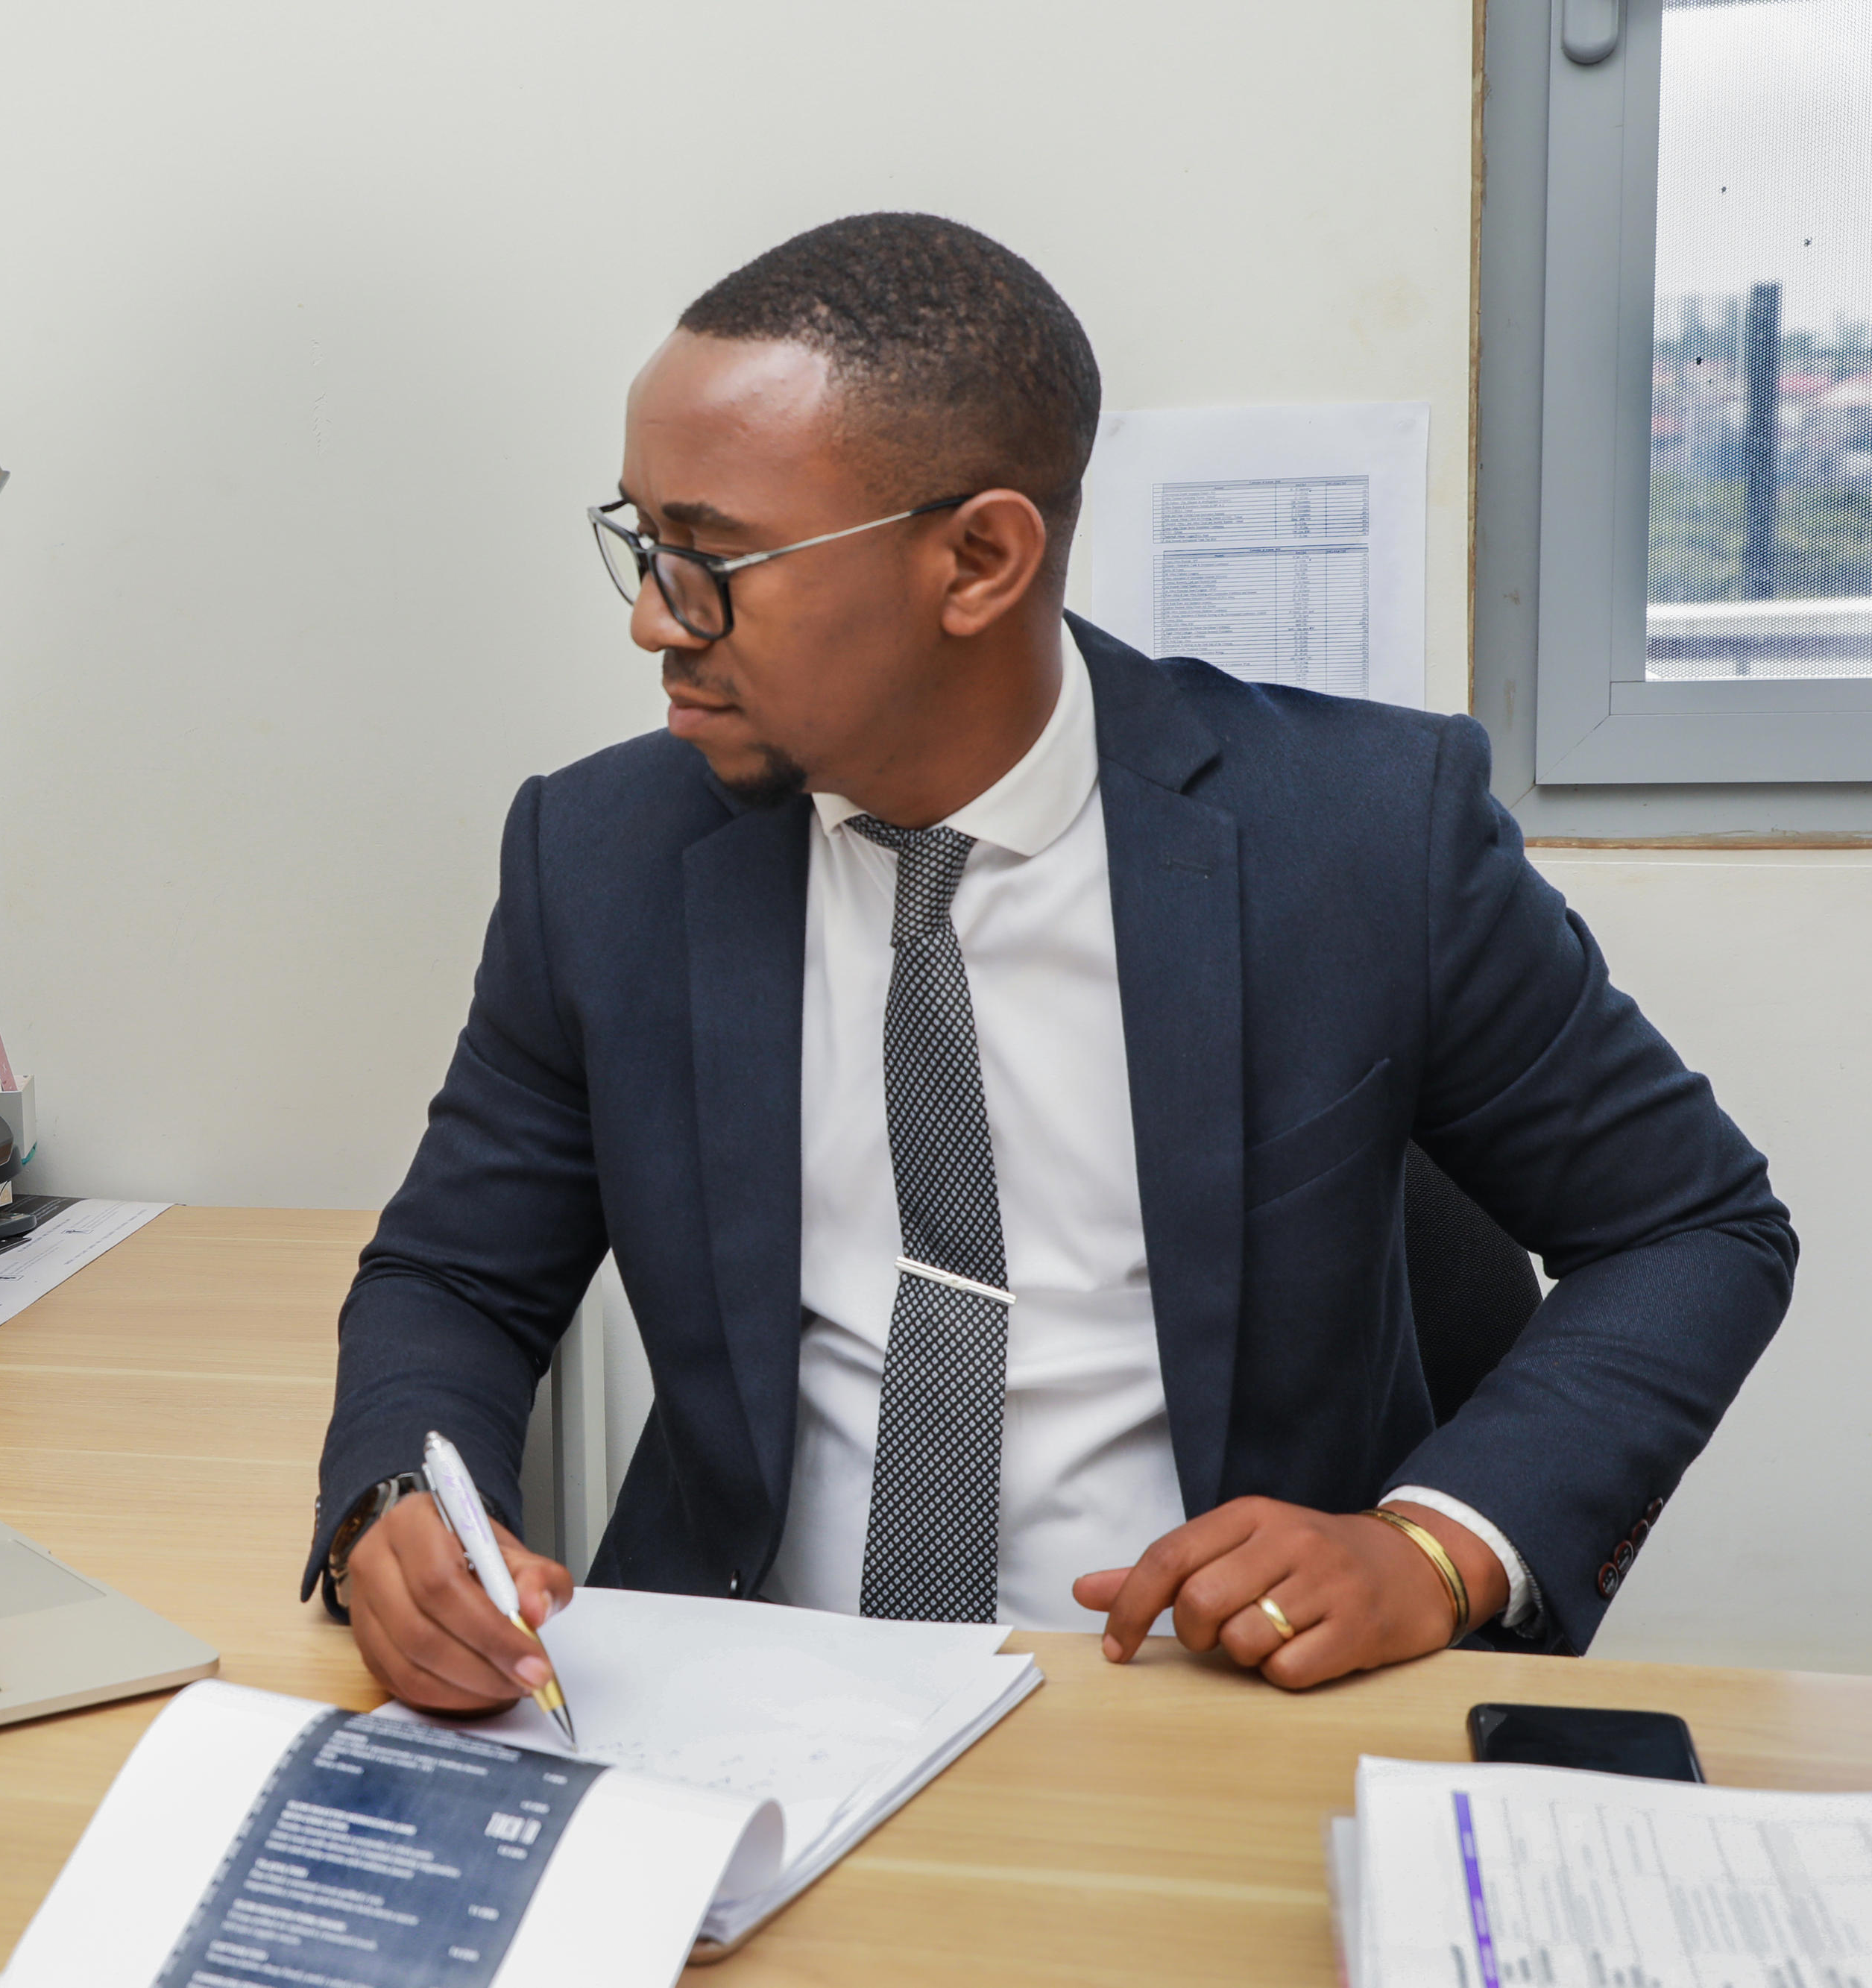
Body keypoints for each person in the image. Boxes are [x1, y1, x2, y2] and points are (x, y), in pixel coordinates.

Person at [306, 213, 1794, 1710]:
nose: (650, 618)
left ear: (976, 561)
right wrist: (394, 1495)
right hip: (733, 1690)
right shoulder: (600, 856)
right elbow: (454, 1273)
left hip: (1199, 1699)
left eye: (712, 560)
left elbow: (1689, 1226)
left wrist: (1431, 1547)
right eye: (641, 541)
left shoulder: (1355, 843)